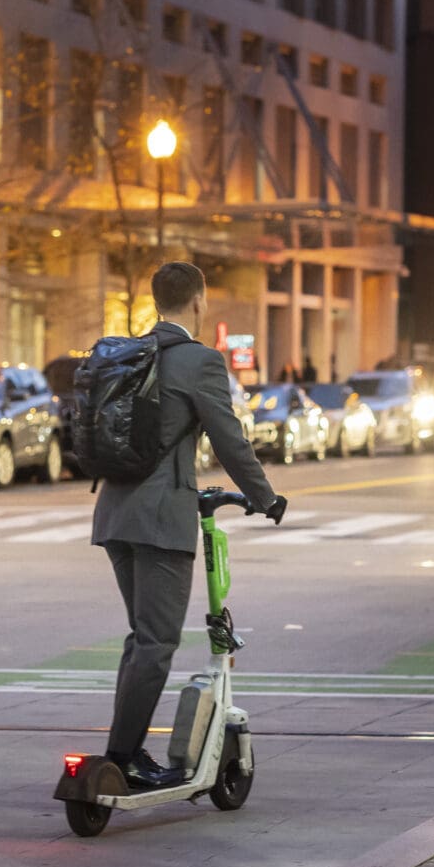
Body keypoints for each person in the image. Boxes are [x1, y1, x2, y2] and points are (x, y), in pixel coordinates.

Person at [92, 262, 281, 789]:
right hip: (160, 520)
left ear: (156, 300)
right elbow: (229, 438)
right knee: (157, 642)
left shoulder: (127, 352)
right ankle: (122, 756)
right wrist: (265, 497)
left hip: (113, 512)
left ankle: (123, 750)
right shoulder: (200, 360)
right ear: (199, 302)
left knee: (141, 638)